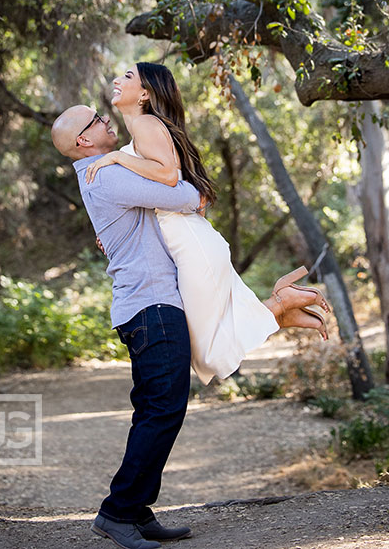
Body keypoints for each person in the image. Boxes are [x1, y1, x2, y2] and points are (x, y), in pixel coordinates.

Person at [51, 101, 328, 549]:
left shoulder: (107, 170)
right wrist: (146, 169)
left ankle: (137, 511)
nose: (106, 120)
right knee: (163, 411)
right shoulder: (106, 172)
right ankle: (117, 513)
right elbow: (186, 196)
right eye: (97, 120)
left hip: (148, 308)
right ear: (83, 140)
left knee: (154, 411)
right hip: (151, 308)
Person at [84, 62, 328, 383]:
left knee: (206, 352)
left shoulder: (145, 124)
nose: (117, 80)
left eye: (128, 76)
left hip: (189, 242)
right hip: (185, 240)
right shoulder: (144, 129)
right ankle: (282, 310)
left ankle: (281, 303)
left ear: (145, 93)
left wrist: (117, 157)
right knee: (202, 348)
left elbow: (169, 177)